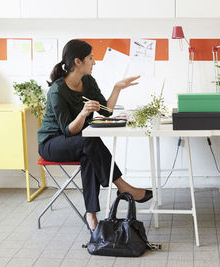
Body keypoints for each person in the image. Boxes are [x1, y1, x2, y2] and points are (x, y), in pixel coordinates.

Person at [37, 39, 152, 231]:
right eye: (91, 58)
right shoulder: (57, 91)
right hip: (52, 143)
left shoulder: (88, 82)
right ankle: (122, 186)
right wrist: (83, 113)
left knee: (89, 155)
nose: (95, 62)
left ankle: (91, 215)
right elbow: (68, 130)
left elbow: (106, 111)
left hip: (79, 143)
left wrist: (117, 88)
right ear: (77, 62)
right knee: (89, 142)